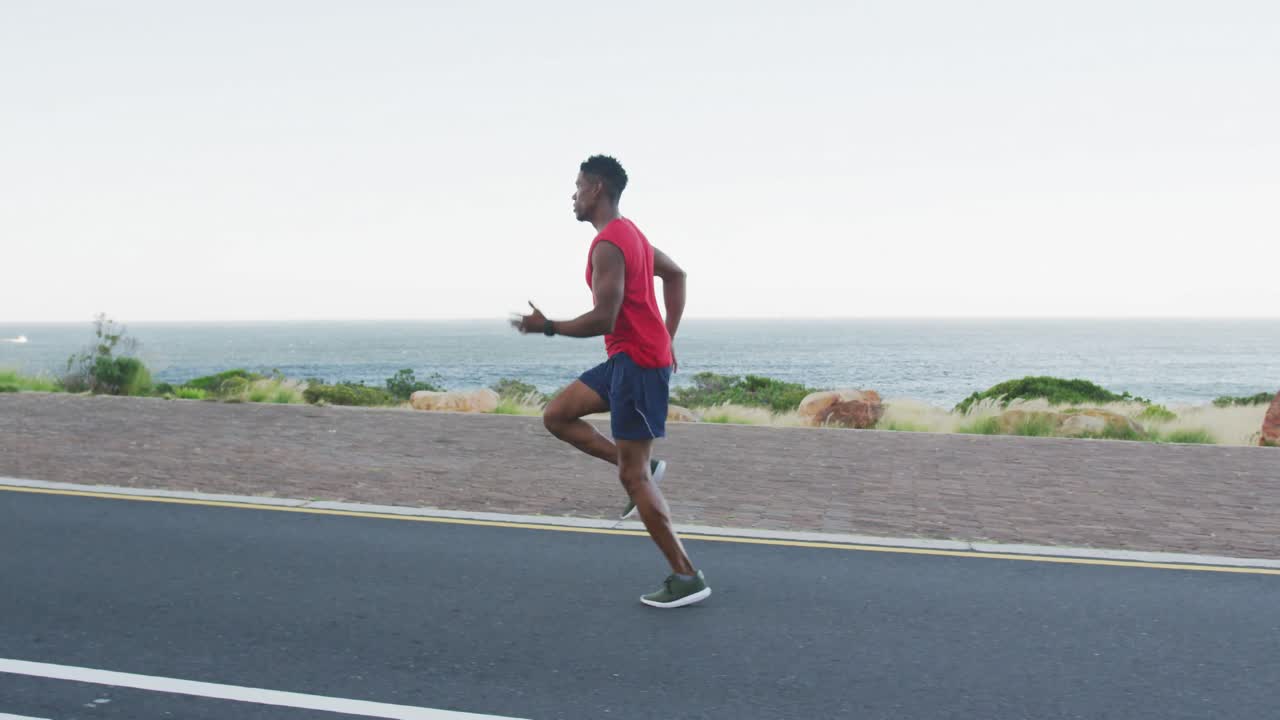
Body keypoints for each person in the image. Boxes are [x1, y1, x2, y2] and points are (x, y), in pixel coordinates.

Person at [512, 155, 710, 609]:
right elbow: (676, 274)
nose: (574, 195)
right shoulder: (632, 234)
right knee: (557, 415)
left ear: (597, 188)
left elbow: (606, 317)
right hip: (628, 360)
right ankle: (646, 469)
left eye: (578, 186)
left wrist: (546, 326)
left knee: (632, 476)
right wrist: (667, 336)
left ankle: (686, 576)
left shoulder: (609, 243)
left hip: (638, 366)